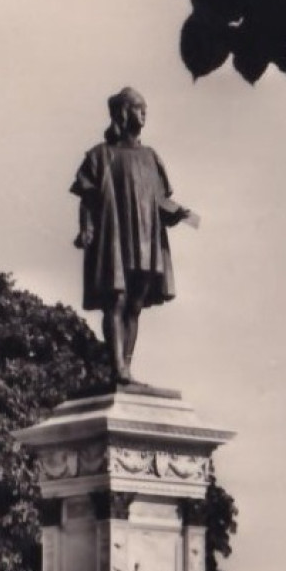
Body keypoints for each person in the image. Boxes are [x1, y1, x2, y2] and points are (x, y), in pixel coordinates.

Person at [71, 87, 196, 386]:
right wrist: (86, 228)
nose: (144, 114)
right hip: (113, 237)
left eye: (145, 109)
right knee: (116, 299)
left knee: (135, 305)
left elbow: (160, 200)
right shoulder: (100, 155)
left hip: (144, 239)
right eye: (139, 108)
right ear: (123, 113)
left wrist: (178, 214)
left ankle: (126, 366)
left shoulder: (151, 157)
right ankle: (118, 368)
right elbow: (87, 197)